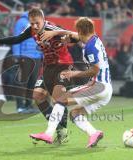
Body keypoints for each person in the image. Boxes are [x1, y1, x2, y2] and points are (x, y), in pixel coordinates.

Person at [0, 8, 77, 144]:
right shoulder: (30, 30)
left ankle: (61, 131)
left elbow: (76, 37)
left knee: (58, 99)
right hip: (48, 67)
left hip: (63, 66)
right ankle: (59, 128)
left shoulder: (52, 29)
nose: (35, 26)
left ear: (43, 20)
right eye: (32, 23)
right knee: (37, 96)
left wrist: (56, 32)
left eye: (37, 23)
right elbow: (17, 39)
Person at [29, 17, 113, 148]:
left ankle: (48, 133)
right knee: (75, 114)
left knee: (61, 100)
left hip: (98, 86)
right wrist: (62, 36)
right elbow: (75, 36)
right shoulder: (94, 39)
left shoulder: (90, 47)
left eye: (77, 31)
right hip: (107, 91)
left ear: (80, 30)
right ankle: (94, 133)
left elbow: (95, 70)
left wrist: (75, 73)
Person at [12, 3, 43, 113]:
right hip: (25, 56)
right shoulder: (21, 22)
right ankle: (20, 107)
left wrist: (43, 54)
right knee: (22, 81)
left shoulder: (39, 23)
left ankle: (28, 105)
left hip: (37, 57)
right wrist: (17, 56)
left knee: (32, 82)